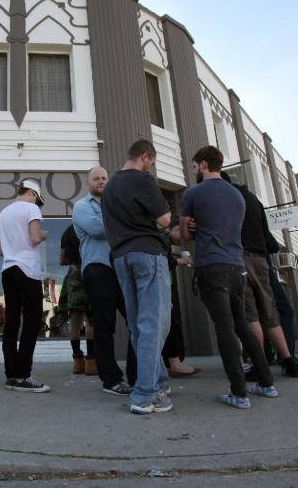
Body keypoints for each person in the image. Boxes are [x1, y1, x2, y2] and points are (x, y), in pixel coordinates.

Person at [181, 146, 277, 409]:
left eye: (193, 166)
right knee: (242, 325)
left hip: (211, 266)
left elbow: (186, 235)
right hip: (237, 266)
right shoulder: (237, 196)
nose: (193, 171)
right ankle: (266, 383)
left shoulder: (193, 193)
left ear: (202, 165)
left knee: (224, 329)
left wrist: (190, 228)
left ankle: (239, 393)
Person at [101, 140, 172, 414]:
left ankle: (158, 382)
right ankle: (145, 394)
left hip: (121, 257)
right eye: (151, 163)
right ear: (145, 156)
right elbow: (165, 219)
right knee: (156, 323)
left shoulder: (110, 189)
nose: (150, 168)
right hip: (147, 254)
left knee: (139, 325)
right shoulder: (142, 180)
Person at [224, 173, 298, 378]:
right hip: (261, 258)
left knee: (250, 315)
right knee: (269, 312)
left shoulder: (225, 197)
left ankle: (260, 364)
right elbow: (267, 234)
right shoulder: (252, 198)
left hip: (240, 257)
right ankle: (288, 359)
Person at [72, 167, 136, 396]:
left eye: (104, 178)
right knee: (105, 325)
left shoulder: (115, 206)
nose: (101, 181)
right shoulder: (82, 207)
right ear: (88, 184)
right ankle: (111, 379)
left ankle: (137, 376)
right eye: (96, 178)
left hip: (122, 269)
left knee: (137, 321)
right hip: (98, 269)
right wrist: (126, 221)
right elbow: (98, 229)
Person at [0, 179, 50, 393]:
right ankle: (24, 375)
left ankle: (11, 375)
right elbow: (35, 238)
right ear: (33, 194)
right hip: (27, 269)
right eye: (38, 198)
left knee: (11, 323)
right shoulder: (31, 208)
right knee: (32, 321)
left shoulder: (2, 214)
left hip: (8, 269)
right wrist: (44, 235)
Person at [59, 224, 95, 376]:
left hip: (73, 277)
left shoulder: (67, 232)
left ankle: (77, 363)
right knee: (91, 320)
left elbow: (62, 260)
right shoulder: (90, 227)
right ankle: (92, 362)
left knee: (74, 321)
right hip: (90, 272)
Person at [162, 224, 197, 377]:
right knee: (170, 325)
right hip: (161, 285)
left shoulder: (166, 240)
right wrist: (180, 262)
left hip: (164, 284)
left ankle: (173, 362)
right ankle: (175, 363)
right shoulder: (164, 239)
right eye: (181, 232)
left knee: (170, 325)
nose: (183, 237)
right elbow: (163, 263)